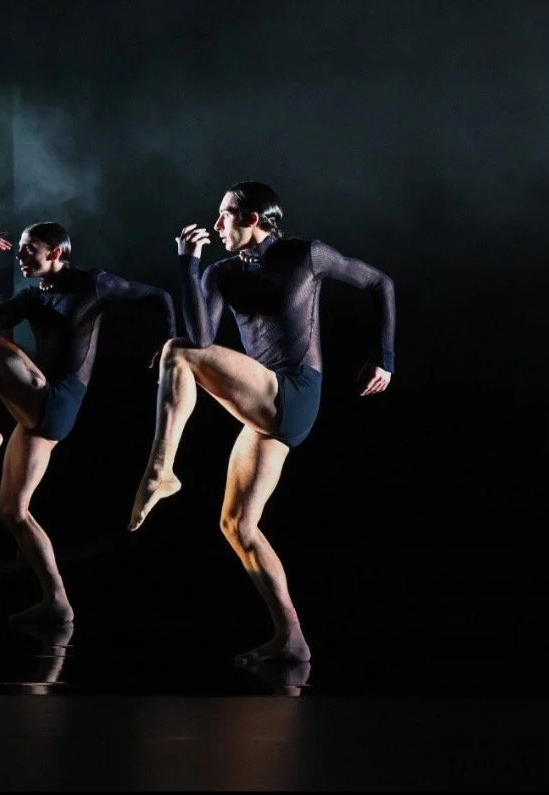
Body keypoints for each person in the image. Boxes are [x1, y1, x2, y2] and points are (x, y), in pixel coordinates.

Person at [127, 181, 396, 667]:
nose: (216, 225)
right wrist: (189, 266)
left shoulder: (305, 255)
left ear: (252, 219)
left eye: (225, 215)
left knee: (176, 352)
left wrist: (385, 358)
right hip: (264, 406)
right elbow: (204, 335)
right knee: (237, 524)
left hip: (294, 392)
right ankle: (291, 638)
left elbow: (381, 283)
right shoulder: (219, 273)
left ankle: (161, 471)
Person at [0, 222, 176, 626]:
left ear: (56, 252)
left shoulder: (93, 283)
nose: (21, 257)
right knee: (13, 510)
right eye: (20, 250)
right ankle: (57, 601)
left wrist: (168, 342)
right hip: (40, 410)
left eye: (29, 250)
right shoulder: (33, 296)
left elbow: (158, 295)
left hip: (59, 399)